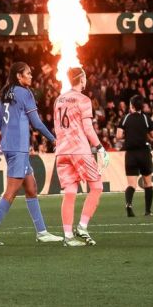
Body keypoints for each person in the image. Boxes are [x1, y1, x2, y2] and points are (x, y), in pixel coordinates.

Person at [0, 62, 63, 246]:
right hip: (19, 148)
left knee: (31, 187)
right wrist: (54, 139)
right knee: (11, 192)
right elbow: (37, 123)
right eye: (28, 74)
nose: (31, 77)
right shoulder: (25, 93)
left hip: (9, 147)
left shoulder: (3, 94)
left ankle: (42, 232)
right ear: (19, 76)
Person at [53, 67, 109, 246]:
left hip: (62, 151)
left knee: (70, 192)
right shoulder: (84, 100)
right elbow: (88, 128)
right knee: (97, 187)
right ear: (82, 79)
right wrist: (99, 147)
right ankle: (82, 227)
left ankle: (68, 236)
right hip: (79, 150)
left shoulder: (58, 100)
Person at [118, 95, 153, 217]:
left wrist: (128, 135)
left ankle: (129, 204)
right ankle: (148, 211)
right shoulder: (145, 118)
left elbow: (118, 135)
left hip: (131, 154)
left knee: (131, 184)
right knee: (148, 183)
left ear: (132, 106)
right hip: (144, 153)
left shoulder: (126, 118)